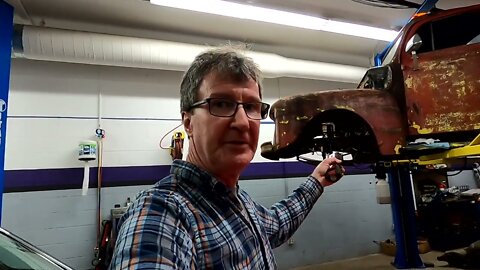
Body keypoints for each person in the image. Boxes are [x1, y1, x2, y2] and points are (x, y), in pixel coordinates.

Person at [109, 47, 344, 269]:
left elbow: (277, 224)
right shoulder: (163, 212)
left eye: (251, 106)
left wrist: (317, 179)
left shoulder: (239, 201)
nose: (242, 122)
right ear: (188, 122)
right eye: (221, 103)